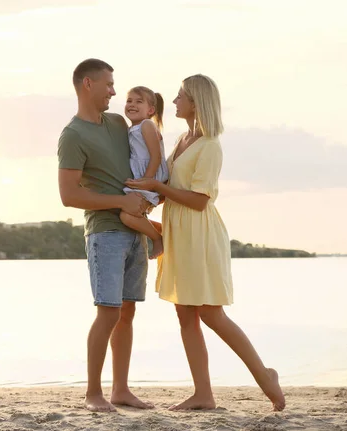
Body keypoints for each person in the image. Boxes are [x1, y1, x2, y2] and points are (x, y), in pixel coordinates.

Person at [125, 74, 286, 412]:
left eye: (180, 96)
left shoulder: (210, 144)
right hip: (179, 232)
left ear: (196, 102)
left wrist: (157, 184)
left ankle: (264, 375)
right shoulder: (183, 138)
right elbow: (169, 188)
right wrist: (146, 196)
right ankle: (203, 394)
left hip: (199, 234)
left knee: (212, 314)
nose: (174, 101)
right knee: (185, 316)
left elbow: (199, 200)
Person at [57, 58, 154, 412]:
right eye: (109, 84)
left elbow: (147, 145)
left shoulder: (116, 123)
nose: (115, 91)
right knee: (108, 313)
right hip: (105, 235)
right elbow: (69, 196)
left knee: (127, 313)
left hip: (134, 232)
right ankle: (93, 393)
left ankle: (121, 390)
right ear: (88, 84)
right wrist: (122, 202)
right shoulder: (72, 135)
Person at [120, 86, 169, 259]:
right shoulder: (132, 128)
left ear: (150, 110)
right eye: (129, 101)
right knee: (131, 213)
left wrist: (146, 181)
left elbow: (155, 156)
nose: (132, 105)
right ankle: (162, 230)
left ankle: (157, 238)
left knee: (127, 216)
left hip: (152, 176)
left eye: (138, 101)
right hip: (144, 178)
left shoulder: (147, 125)